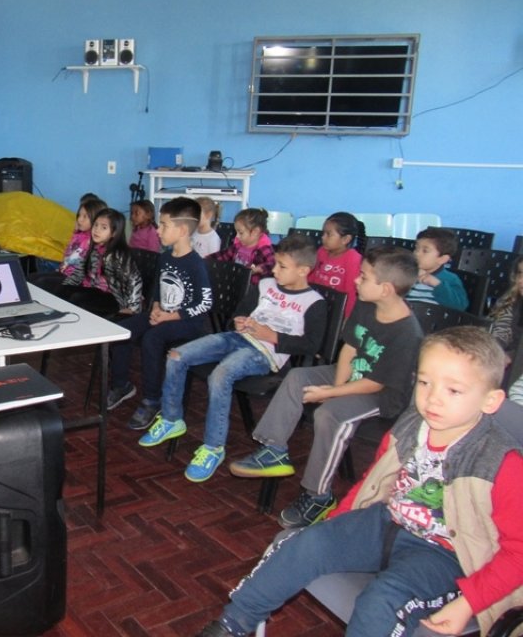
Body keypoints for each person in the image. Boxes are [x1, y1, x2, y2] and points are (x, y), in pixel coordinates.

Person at [197, 327, 523, 637]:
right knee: (306, 543)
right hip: (387, 522)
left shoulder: (501, 464)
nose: (433, 399)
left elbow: (518, 553)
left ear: (490, 401)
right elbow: (372, 482)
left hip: (446, 553)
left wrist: (469, 602)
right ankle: (233, 623)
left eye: (453, 390)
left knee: (382, 598)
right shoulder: (410, 427)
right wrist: (335, 530)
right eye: (424, 383)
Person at [229, 247, 423, 528]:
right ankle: (274, 449)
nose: (356, 281)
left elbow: (374, 383)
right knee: (297, 378)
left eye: (364, 277)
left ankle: (319, 494)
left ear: (386, 289)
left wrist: (329, 394)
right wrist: (337, 384)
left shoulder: (407, 333)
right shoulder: (368, 304)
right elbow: (350, 348)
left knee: (329, 414)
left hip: (380, 394)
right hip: (353, 376)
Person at [140, 235, 327, 483]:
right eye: (277, 264)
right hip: (237, 338)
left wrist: (271, 335)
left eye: (282, 266)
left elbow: (312, 345)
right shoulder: (265, 286)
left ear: (303, 270)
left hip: (264, 353)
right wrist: (238, 320)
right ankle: (172, 418)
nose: (275, 270)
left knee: (221, 374)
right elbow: (241, 311)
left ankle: (213, 447)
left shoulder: (313, 302)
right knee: (177, 355)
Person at [107, 197, 214, 430]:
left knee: (152, 338)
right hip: (162, 314)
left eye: (164, 225)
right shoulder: (165, 257)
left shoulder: (195, 263)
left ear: (183, 230)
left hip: (188, 322)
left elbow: (205, 302)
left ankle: (152, 399)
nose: (158, 230)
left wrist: (170, 316)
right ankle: (121, 385)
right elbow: (157, 287)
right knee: (122, 331)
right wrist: (155, 307)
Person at [57, 207, 143, 316]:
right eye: (95, 225)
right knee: (63, 291)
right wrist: (65, 288)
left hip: (114, 298)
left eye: (103, 227)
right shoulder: (93, 249)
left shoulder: (118, 255)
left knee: (77, 299)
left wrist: (133, 308)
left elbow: (134, 279)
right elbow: (79, 273)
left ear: (114, 233)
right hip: (96, 291)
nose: (97, 230)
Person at [30, 197, 107, 293]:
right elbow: (68, 255)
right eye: (79, 215)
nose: (79, 220)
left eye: (85, 217)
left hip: (79, 280)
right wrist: (75, 232)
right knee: (31, 278)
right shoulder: (80, 236)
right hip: (65, 272)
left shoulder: (93, 242)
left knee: (41, 282)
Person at [308, 211, 365, 318]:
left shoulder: (353, 259)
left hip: (336, 311)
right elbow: (311, 278)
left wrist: (345, 319)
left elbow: (350, 294)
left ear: (345, 239)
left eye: (329, 234)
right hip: (317, 305)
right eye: (323, 233)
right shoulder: (321, 252)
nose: (323, 237)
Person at [406, 227, 468, 310]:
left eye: (425, 251)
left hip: (433, 321)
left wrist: (438, 285)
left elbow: (460, 306)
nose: (416, 253)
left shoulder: (450, 279)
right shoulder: (406, 273)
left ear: (442, 259)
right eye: (416, 248)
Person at [214, 207, 276, 285]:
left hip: (254, 289)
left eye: (241, 233)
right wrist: (206, 259)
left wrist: (258, 269)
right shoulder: (238, 246)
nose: (237, 236)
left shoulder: (264, 248)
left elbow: (273, 264)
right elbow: (223, 255)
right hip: (236, 284)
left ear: (255, 232)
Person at [488, 255, 522, 367]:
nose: (521, 280)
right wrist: (494, 351)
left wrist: (512, 356)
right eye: (520, 273)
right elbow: (501, 331)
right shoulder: (512, 300)